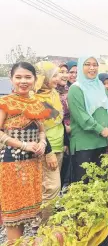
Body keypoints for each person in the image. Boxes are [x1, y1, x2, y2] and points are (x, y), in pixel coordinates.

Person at [0, 62, 51, 243]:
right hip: (12, 164)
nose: (23, 81)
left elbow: (42, 130)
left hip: (33, 164)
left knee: (29, 211)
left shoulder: (37, 103)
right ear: (11, 79)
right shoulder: (4, 102)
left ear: (35, 80)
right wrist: (24, 145)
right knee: (14, 214)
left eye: (28, 77)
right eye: (18, 77)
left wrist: (42, 143)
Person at [67, 56, 108, 182]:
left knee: (100, 183)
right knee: (84, 184)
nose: (92, 68)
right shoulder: (75, 89)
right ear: (80, 67)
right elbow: (82, 117)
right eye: (87, 64)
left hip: (102, 142)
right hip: (84, 144)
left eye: (95, 64)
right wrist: (101, 130)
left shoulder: (100, 86)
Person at [34, 61, 69, 224]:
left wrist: (65, 142)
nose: (58, 78)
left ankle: (43, 219)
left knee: (49, 186)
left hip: (58, 145)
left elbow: (59, 121)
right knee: (52, 187)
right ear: (44, 77)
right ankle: (46, 225)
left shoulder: (54, 94)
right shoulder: (34, 99)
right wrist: (48, 153)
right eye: (54, 75)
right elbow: (37, 129)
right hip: (46, 149)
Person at [57, 63, 73, 187]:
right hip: (58, 134)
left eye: (66, 72)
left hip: (72, 131)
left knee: (68, 166)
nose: (65, 75)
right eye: (61, 71)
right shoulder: (49, 92)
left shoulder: (70, 90)